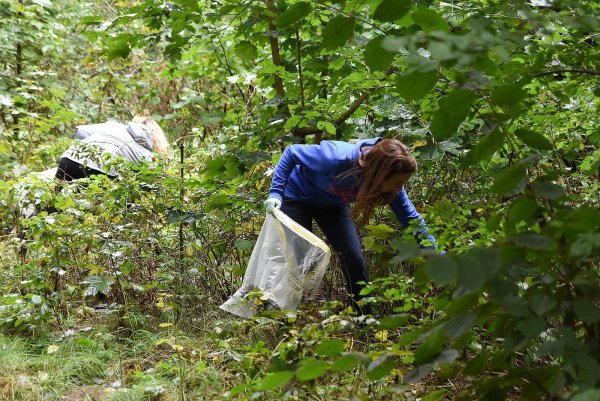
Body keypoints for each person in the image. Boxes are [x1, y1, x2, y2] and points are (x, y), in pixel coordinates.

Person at [263, 137, 439, 314]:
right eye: (397, 182)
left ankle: (363, 321)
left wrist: (432, 249)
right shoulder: (335, 158)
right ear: (381, 173)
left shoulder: (391, 186)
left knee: (353, 258)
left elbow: (409, 216)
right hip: (296, 197)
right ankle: (279, 315)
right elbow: (292, 152)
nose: (399, 188)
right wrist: (276, 193)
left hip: (332, 206)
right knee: (298, 259)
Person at [55, 116, 169, 181]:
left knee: (57, 205)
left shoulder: (113, 125)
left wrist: (87, 152)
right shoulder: (145, 152)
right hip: (103, 171)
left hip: (69, 159)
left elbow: (81, 131)